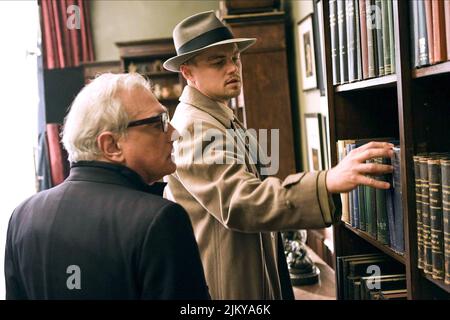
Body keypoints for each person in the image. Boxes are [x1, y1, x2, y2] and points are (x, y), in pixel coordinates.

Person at [163, 11, 395, 300]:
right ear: (188, 73)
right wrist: (325, 182)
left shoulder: (217, 115)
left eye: (235, 58)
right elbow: (241, 201)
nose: (233, 68)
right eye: (218, 62)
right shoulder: (196, 126)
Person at [4, 73, 210, 300]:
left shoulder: (22, 215)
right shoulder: (160, 219)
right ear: (111, 145)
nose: (175, 133)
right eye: (158, 123)